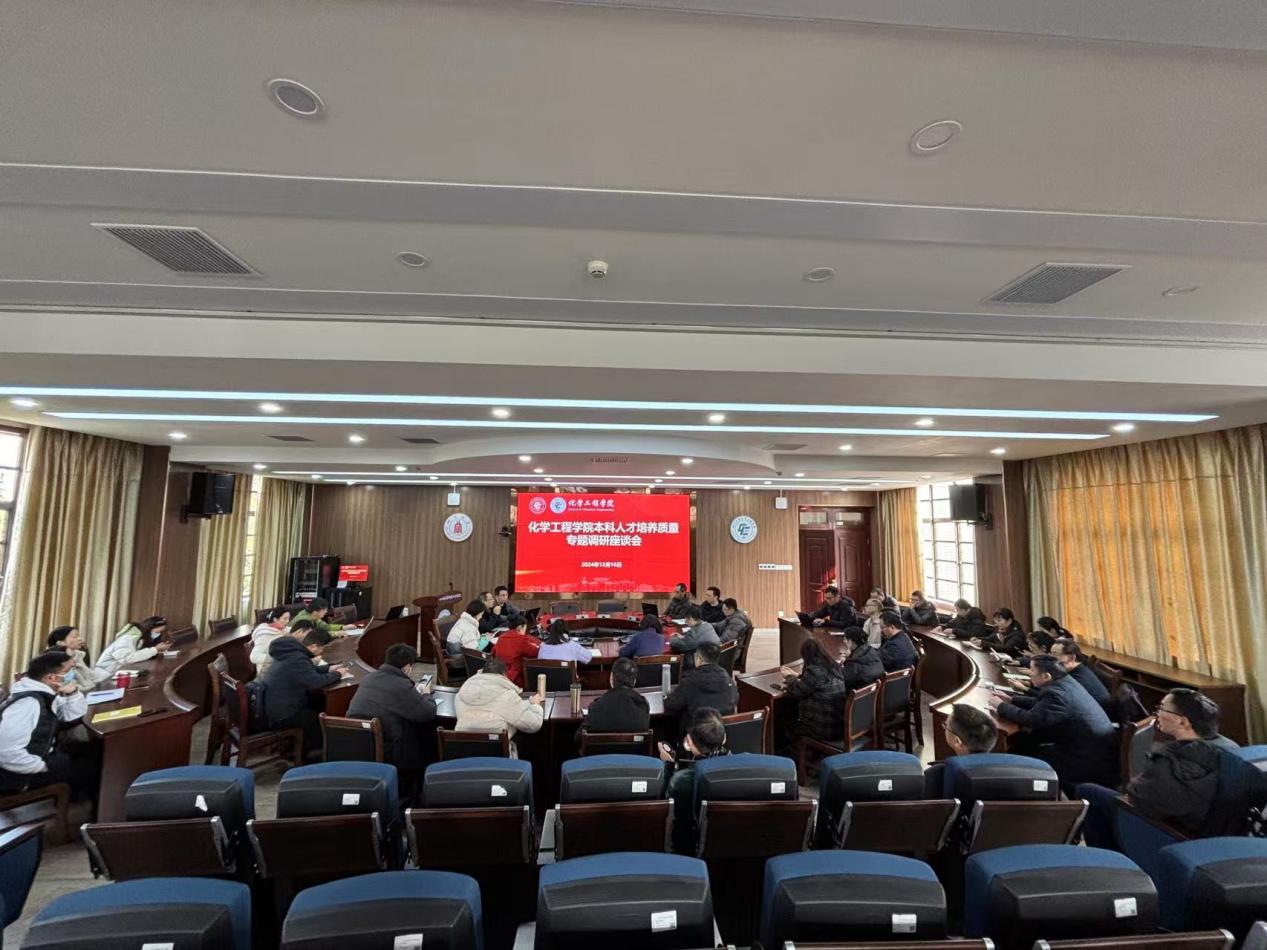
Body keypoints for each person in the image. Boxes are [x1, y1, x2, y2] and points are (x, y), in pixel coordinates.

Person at [1079, 689, 1257, 847]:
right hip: (1216, 830)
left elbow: (1140, 800)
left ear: (1183, 722)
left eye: (1162, 708)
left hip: (1176, 834)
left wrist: (1139, 781)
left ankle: (1115, 857)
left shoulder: (1175, 760)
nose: (1157, 713)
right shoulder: (1231, 746)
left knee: (1087, 790)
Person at [991, 654, 1119, 789]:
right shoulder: (1065, 681)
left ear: (1046, 676)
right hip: (1090, 749)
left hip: (1086, 760)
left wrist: (1000, 706)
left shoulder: (1055, 694)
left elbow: (1030, 719)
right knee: (1025, 741)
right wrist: (1012, 699)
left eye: (1032, 670)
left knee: (1023, 752)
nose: (1030, 673)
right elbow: (1041, 705)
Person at [0, 652, 93, 796]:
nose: (72, 674)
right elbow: (6, 752)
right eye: (68, 671)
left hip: (41, 754)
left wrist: (72, 693)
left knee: (89, 749)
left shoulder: (44, 694)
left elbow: (71, 715)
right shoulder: (27, 704)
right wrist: (42, 766)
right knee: (93, 767)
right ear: (50, 678)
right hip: (17, 775)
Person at [347, 643, 436, 787]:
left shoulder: (370, 677)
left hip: (357, 742)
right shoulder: (400, 685)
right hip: (389, 747)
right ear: (406, 667)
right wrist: (426, 694)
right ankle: (418, 785)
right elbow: (428, 713)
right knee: (426, 734)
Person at [262, 628, 344, 756]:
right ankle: (311, 752)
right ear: (314, 646)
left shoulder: (290, 652)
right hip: (282, 713)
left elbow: (307, 671)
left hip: (272, 705)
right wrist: (338, 674)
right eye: (321, 649)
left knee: (316, 704)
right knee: (316, 717)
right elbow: (315, 682)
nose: (321, 652)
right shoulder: (298, 658)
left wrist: (328, 668)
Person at [660, 708, 731, 854]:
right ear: (724, 738)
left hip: (692, 853)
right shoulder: (744, 770)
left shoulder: (680, 781)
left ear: (688, 742)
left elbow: (673, 822)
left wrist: (668, 767)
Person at [454, 657, 545, 756]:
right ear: (504, 675)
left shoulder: (461, 693)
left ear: (482, 672)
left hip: (464, 757)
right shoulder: (507, 696)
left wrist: (526, 703)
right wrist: (536, 705)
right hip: (498, 759)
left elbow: (493, 707)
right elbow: (533, 724)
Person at [779, 638, 850, 742]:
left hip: (821, 729)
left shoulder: (813, 671)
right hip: (837, 727)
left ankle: (791, 748)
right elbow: (816, 682)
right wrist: (798, 675)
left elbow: (798, 691)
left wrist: (789, 677)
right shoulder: (833, 666)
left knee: (785, 714)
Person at [663, 641, 737, 737]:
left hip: (696, 735)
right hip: (723, 733)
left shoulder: (690, 680)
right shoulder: (728, 679)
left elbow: (670, 705)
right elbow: (735, 699)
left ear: (698, 659)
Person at [924, 703, 999, 797]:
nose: (944, 728)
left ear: (957, 741)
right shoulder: (1012, 769)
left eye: (945, 725)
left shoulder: (936, 775)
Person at [93, 615, 171, 680]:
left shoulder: (140, 639)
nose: (159, 634)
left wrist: (157, 649)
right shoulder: (128, 638)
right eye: (158, 632)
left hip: (116, 673)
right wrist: (155, 649)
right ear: (149, 628)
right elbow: (127, 658)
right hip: (105, 675)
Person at [585, 657, 651, 733]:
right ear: (634, 681)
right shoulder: (642, 705)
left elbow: (580, 737)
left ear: (611, 678)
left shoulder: (597, 707)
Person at [1050, 638, 1111, 708]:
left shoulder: (1077, 680)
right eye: (1050, 654)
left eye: (1055, 655)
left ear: (1072, 658)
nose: (1050, 658)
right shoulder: (1078, 669)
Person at [491, 616, 541, 688]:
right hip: (514, 678)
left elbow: (493, 651)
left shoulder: (501, 637)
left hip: (498, 673)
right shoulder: (521, 639)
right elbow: (536, 651)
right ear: (520, 627)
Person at [46, 626, 98, 693]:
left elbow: (91, 677)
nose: (80, 639)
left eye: (79, 636)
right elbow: (63, 686)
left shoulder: (79, 655)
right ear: (60, 643)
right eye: (75, 637)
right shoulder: (52, 661)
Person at [249, 607, 292, 671]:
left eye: (288, 618)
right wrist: (278, 658)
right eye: (285, 619)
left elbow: (291, 629)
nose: (288, 621)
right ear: (275, 619)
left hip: (280, 665)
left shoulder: (282, 629)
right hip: (267, 670)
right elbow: (254, 657)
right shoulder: (264, 635)